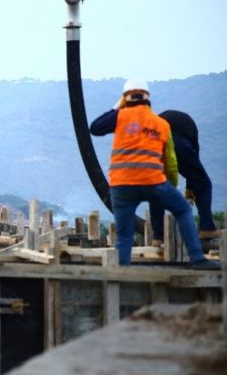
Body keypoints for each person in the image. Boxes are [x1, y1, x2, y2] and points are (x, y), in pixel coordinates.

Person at [89, 79, 218, 269]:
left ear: (125, 99)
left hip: (121, 185)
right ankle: (198, 259)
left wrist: (117, 106)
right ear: (148, 98)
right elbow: (171, 163)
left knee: (124, 237)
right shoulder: (161, 124)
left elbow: (94, 128)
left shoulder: (120, 117)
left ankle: (122, 271)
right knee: (182, 209)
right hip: (152, 182)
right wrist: (171, 186)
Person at [149, 110, 218, 242]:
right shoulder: (190, 132)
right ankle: (207, 227)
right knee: (203, 184)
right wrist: (189, 194)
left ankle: (158, 236)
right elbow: (194, 176)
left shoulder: (160, 122)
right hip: (177, 140)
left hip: (153, 144)